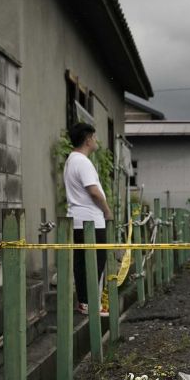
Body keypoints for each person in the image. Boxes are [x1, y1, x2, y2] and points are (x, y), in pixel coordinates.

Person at [64, 123, 113, 316]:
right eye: (94, 137)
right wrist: (107, 211)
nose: (96, 140)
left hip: (77, 219)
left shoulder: (71, 160)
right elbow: (94, 191)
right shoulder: (83, 162)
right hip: (90, 220)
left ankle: (85, 302)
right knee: (95, 263)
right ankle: (90, 304)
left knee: (82, 263)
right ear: (88, 139)